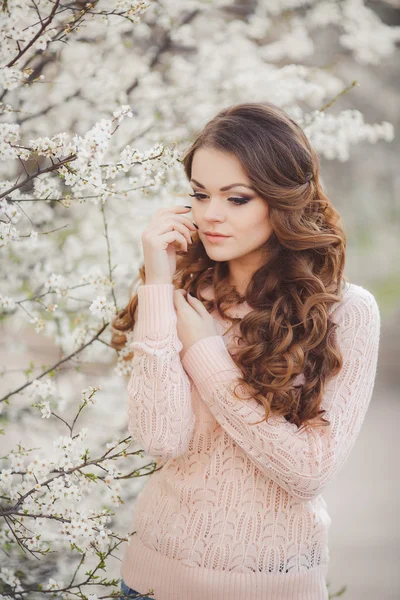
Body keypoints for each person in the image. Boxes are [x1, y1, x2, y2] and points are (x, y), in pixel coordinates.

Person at [111, 102, 381, 600]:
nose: (209, 215)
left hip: (275, 587)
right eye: (199, 194)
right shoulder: (181, 296)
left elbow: (308, 472)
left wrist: (209, 358)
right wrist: (156, 281)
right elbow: (161, 437)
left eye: (236, 198)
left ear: (283, 201)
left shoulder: (345, 312)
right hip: (150, 581)